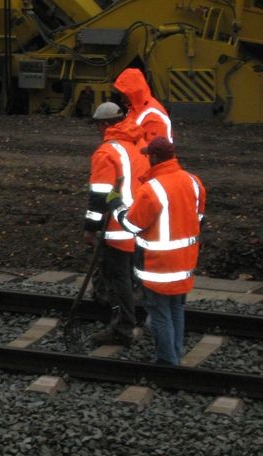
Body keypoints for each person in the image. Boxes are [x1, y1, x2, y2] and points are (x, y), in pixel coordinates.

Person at [106, 137, 206, 365]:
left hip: (159, 265)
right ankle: (176, 352)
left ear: (154, 157)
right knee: (176, 308)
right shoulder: (193, 181)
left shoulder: (152, 189)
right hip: (185, 262)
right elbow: (198, 217)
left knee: (160, 312)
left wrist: (116, 205)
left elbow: (132, 225)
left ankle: (166, 361)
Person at [84, 101, 149, 346]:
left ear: (103, 124)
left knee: (117, 278)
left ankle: (123, 327)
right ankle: (134, 315)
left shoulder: (106, 153)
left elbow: (99, 197)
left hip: (118, 228)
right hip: (140, 223)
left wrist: (90, 228)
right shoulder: (138, 142)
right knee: (131, 276)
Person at [113, 68, 173, 144]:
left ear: (132, 93)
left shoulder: (153, 118)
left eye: (123, 95)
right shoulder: (136, 109)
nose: (121, 99)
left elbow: (153, 153)